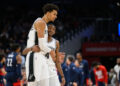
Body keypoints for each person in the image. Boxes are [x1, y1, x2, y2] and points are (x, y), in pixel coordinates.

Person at [23, 3, 59, 86]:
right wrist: (51, 52)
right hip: (35, 56)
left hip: (41, 56)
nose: (55, 16)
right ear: (47, 13)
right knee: (34, 84)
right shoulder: (40, 22)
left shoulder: (44, 24)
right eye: (54, 14)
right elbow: (42, 44)